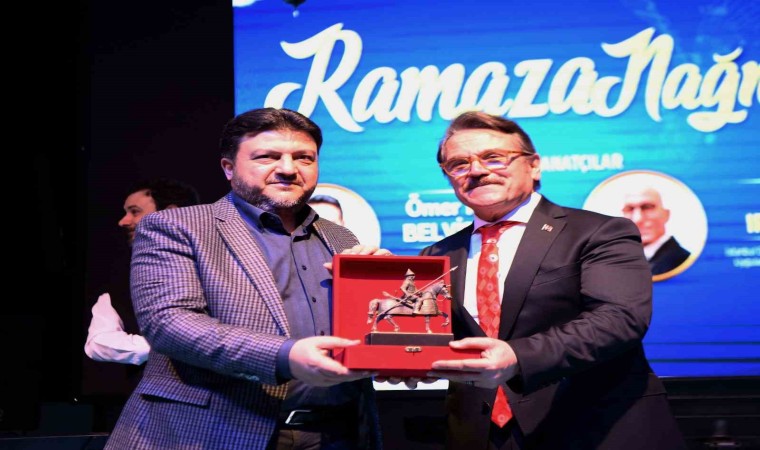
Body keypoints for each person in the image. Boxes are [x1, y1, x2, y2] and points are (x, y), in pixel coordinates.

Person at [106, 108, 387, 450]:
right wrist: (286, 355)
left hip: (339, 434)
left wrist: (385, 296)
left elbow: (360, 331)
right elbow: (169, 324)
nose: (288, 169)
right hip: (216, 433)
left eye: (304, 157)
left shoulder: (340, 237)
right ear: (229, 168)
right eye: (267, 156)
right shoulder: (178, 226)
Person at [422, 111, 686, 449]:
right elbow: (424, 338)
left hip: (594, 429)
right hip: (482, 436)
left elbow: (619, 319)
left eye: (493, 157)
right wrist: (373, 280)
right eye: (459, 164)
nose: (476, 170)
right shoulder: (437, 255)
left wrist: (517, 357)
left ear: (534, 166)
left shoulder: (599, 232)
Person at [85, 178, 201, 366]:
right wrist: (166, 347)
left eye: (135, 212)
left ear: (171, 213)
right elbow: (98, 342)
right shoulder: (121, 284)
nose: (123, 221)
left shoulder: (215, 269)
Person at [621, 186, 691, 276]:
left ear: (666, 214)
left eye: (647, 207)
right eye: (629, 209)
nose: (637, 219)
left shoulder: (683, 262)